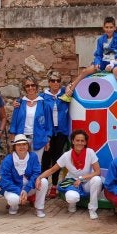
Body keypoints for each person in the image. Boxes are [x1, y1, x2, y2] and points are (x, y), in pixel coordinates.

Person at [37, 130, 102, 220]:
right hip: (72, 184)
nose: (80, 143)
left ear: (85, 142)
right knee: (71, 197)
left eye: (82, 141)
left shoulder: (90, 152)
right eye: (77, 140)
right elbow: (52, 170)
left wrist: (81, 178)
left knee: (97, 180)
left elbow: (98, 171)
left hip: (86, 182)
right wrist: (39, 177)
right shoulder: (66, 155)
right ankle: (72, 204)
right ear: (73, 141)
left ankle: (92, 209)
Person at [66, 16, 117, 106]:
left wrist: (112, 64)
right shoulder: (101, 40)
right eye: (107, 27)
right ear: (103, 27)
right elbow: (98, 55)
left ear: (115, 28)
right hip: (104, 63)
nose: (109, 29)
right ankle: (70, 90)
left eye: (111, 27)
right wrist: (97, 63)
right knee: (86, 70)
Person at [0, 134, 48, 218]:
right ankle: (14, 206)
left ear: (27, 146)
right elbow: (5, 179)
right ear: (14, 147)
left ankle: (39, 208)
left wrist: (26, 190)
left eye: (24, 144)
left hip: (28, 188)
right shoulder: (8, 160)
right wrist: (19, 191)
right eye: (19, 145)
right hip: (13, 189)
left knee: (43, 181)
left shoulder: (33, 156)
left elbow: (36, 173)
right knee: (13, 200)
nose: (22, 147)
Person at [40, 71, 71, 199]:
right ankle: (43, 185)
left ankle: (54, 186)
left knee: (57, 159)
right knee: (46, 159)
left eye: (58, 80)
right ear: (49, 82)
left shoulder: (65, 94)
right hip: (48, 132)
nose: (55, 83)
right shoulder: (42, 97)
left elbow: (74, 86)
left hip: (61, 132)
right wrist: (17, 103)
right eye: (53, 81)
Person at [9, 75, 53, 163]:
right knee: (21, 163)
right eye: (27, 86)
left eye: (33, 85)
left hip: (39, 138)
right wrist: (12, 139)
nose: (30, 88)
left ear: (36, 87)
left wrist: (47, 140)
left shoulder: (44, 104)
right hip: (22, 138)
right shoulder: (19, 103)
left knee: (36, 163)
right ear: (24, 88)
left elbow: (49, 124)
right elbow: (14, 122)